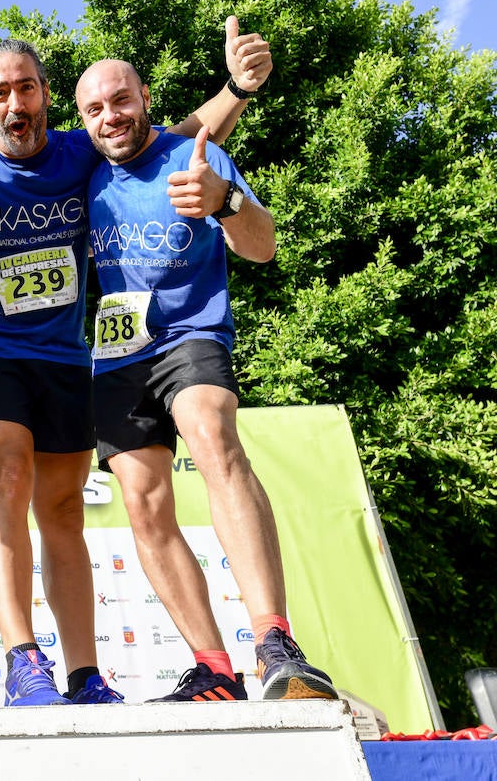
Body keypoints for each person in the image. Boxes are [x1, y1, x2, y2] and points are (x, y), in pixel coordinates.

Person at [0, 17, 270, 706]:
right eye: (0, 92)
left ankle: (101, 672)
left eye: (27, 88)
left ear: (44, 96)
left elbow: (170, 138)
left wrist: (237, 90)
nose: (15, 104)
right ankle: (31, 661)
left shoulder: (81, 152)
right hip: (2, 354)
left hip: (79, 355)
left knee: (79, 502)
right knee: (39, 483)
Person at [75, 57, 336, 703]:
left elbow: (264, 246)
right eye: (95, 109)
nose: (111, 116)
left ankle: (275, 639)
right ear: (81, 121)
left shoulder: (195, 156)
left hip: (191, 336)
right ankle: (214, 668)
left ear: (146, 98)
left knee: (212, 434)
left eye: (122, 100)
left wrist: (227, 202)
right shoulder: (79, 171)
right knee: (142, 502)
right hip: (117, 352)